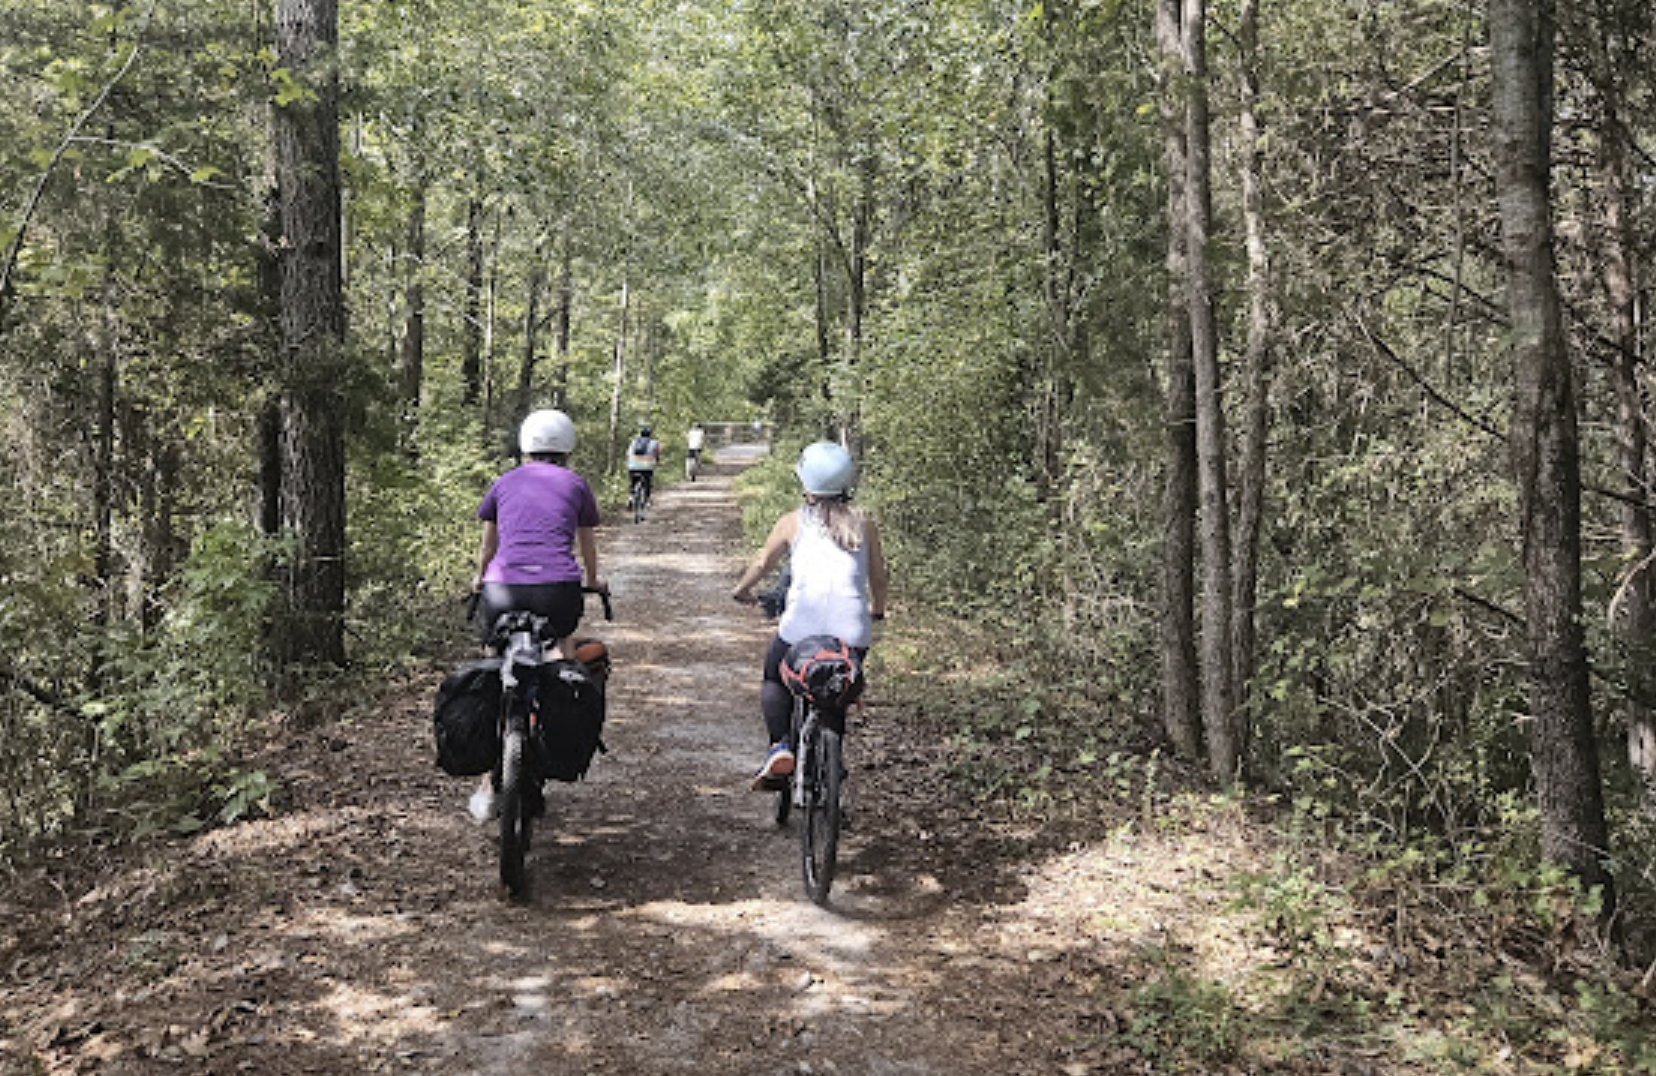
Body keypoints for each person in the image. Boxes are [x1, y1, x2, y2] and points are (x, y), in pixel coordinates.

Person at [469, 408, 608, 820]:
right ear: (567, 447)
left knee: (494, 662)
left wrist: (479, 580)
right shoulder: (576, 485)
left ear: (525, 446)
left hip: (501, 591)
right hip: (557, 590)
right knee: (560, 656)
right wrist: (596, 580)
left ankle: (486, 784)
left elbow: (488, 547)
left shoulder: (504, 482)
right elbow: (586, 546)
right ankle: (553, 732)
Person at [731, 441, 888, 789]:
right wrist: (877, 611)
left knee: (774, 677)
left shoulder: (793, 522)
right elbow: (878, 577)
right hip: (852, 632)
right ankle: (831, 771)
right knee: (837, 685)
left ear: (806, 483)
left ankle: (779, 747)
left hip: (800, 628)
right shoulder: (865, 524)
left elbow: (762, 564)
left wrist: (742, 590)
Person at [626, 424, 662, 509]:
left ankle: (631, 497)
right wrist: (657, 462)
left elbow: (628, 454)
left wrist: (629, 463)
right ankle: (647, 500)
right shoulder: (654, 443)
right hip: (647, 466)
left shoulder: (633, 442)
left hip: (633, 466)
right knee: (647, 483)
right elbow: (657, 455)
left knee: (633, 482)